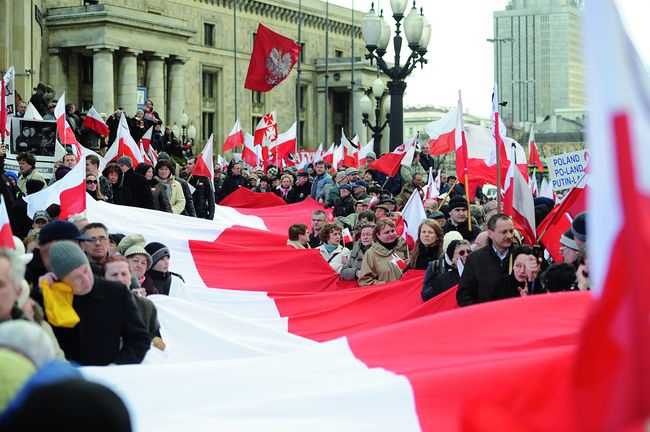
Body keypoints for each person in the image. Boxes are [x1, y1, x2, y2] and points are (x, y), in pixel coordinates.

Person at [42, 242, 150, 365]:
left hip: (108, 374)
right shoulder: (51, 296)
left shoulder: (116, 292)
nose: (85, 279)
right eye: (76, 277)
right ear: (62, 279)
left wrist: (118, 364)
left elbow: (139, 339)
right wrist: (42, 290)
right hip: (68, 377)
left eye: (85, 271)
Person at [103, 256, 164, 348]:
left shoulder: (146, 306)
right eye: (114, 275)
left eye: (124, 274)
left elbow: (155, 336)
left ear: (131, 276)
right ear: (103, 277)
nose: (120, 279)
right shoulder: (94, 305)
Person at [457, 214, 516, 306]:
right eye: (504, 232)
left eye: (511, 231)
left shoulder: (523, 254)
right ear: (490, 233)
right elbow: (464, 295)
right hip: (486, 317)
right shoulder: (474, 259)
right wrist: (479, 313)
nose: (509, 236)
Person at [358, 218, 408, 286]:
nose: (391, 234)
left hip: (405, 292)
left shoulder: (403, 247)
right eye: (387, 232)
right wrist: (387, 285)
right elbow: (365, 281)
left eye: (393, 231)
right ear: (378, 235)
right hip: (386, 294)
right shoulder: (370, 254)